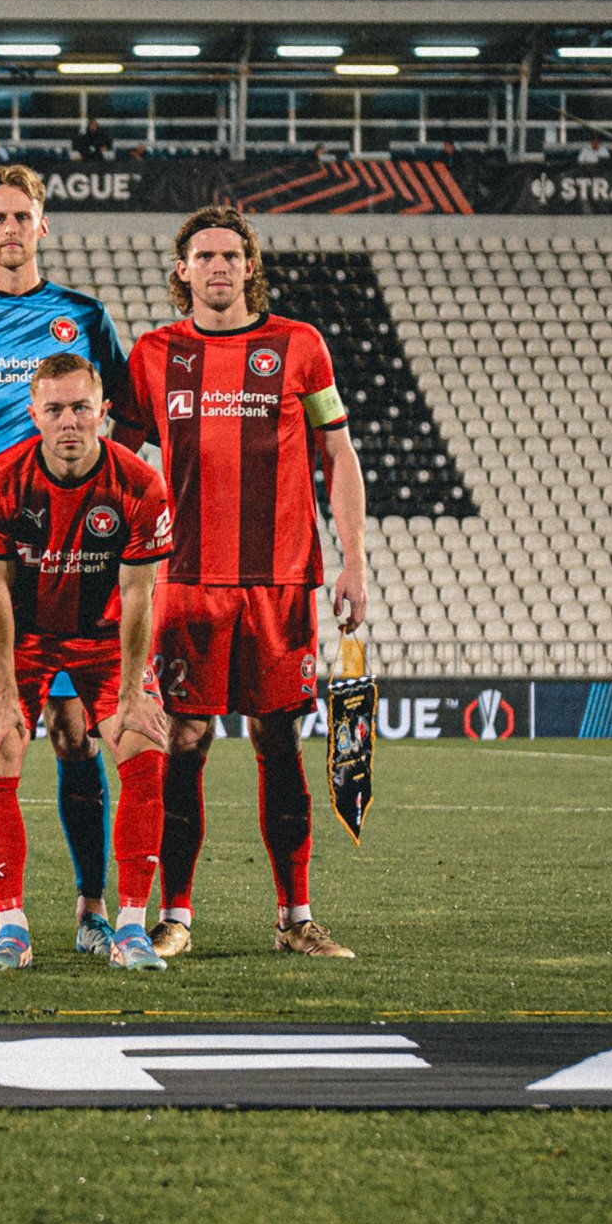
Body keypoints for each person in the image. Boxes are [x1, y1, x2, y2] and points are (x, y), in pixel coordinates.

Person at [115, 204, 367, 959]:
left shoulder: (300, 346)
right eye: (204, 256)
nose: (218, 267)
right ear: (181, 269)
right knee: (182, 740)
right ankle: (175, 916)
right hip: (185, 581)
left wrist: (352, 560)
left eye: (231, 255)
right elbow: (121, 463)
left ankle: (295, 918)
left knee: (278, 737)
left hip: (280, 580)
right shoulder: (153, 353)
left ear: (250, 266)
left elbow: (339, 454)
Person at [0, 165, 131, 960]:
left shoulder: (81, 315)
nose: (10, 228)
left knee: (75, 730)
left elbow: (121, 418)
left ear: (43, 226)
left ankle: (90, 906)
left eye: (23, 215)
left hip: (70, 554)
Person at [0, 355, 172, 970]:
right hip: (26, 638)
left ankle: (131, 927)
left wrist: (134, 690)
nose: (69, 422)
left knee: (142, 742)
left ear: (102, 410)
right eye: (54, 409)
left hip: (106, 639)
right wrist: (5, 691)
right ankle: (11, 928)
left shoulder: (140, 484)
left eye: (81, 407)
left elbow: (140, 595)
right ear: (33, 414)